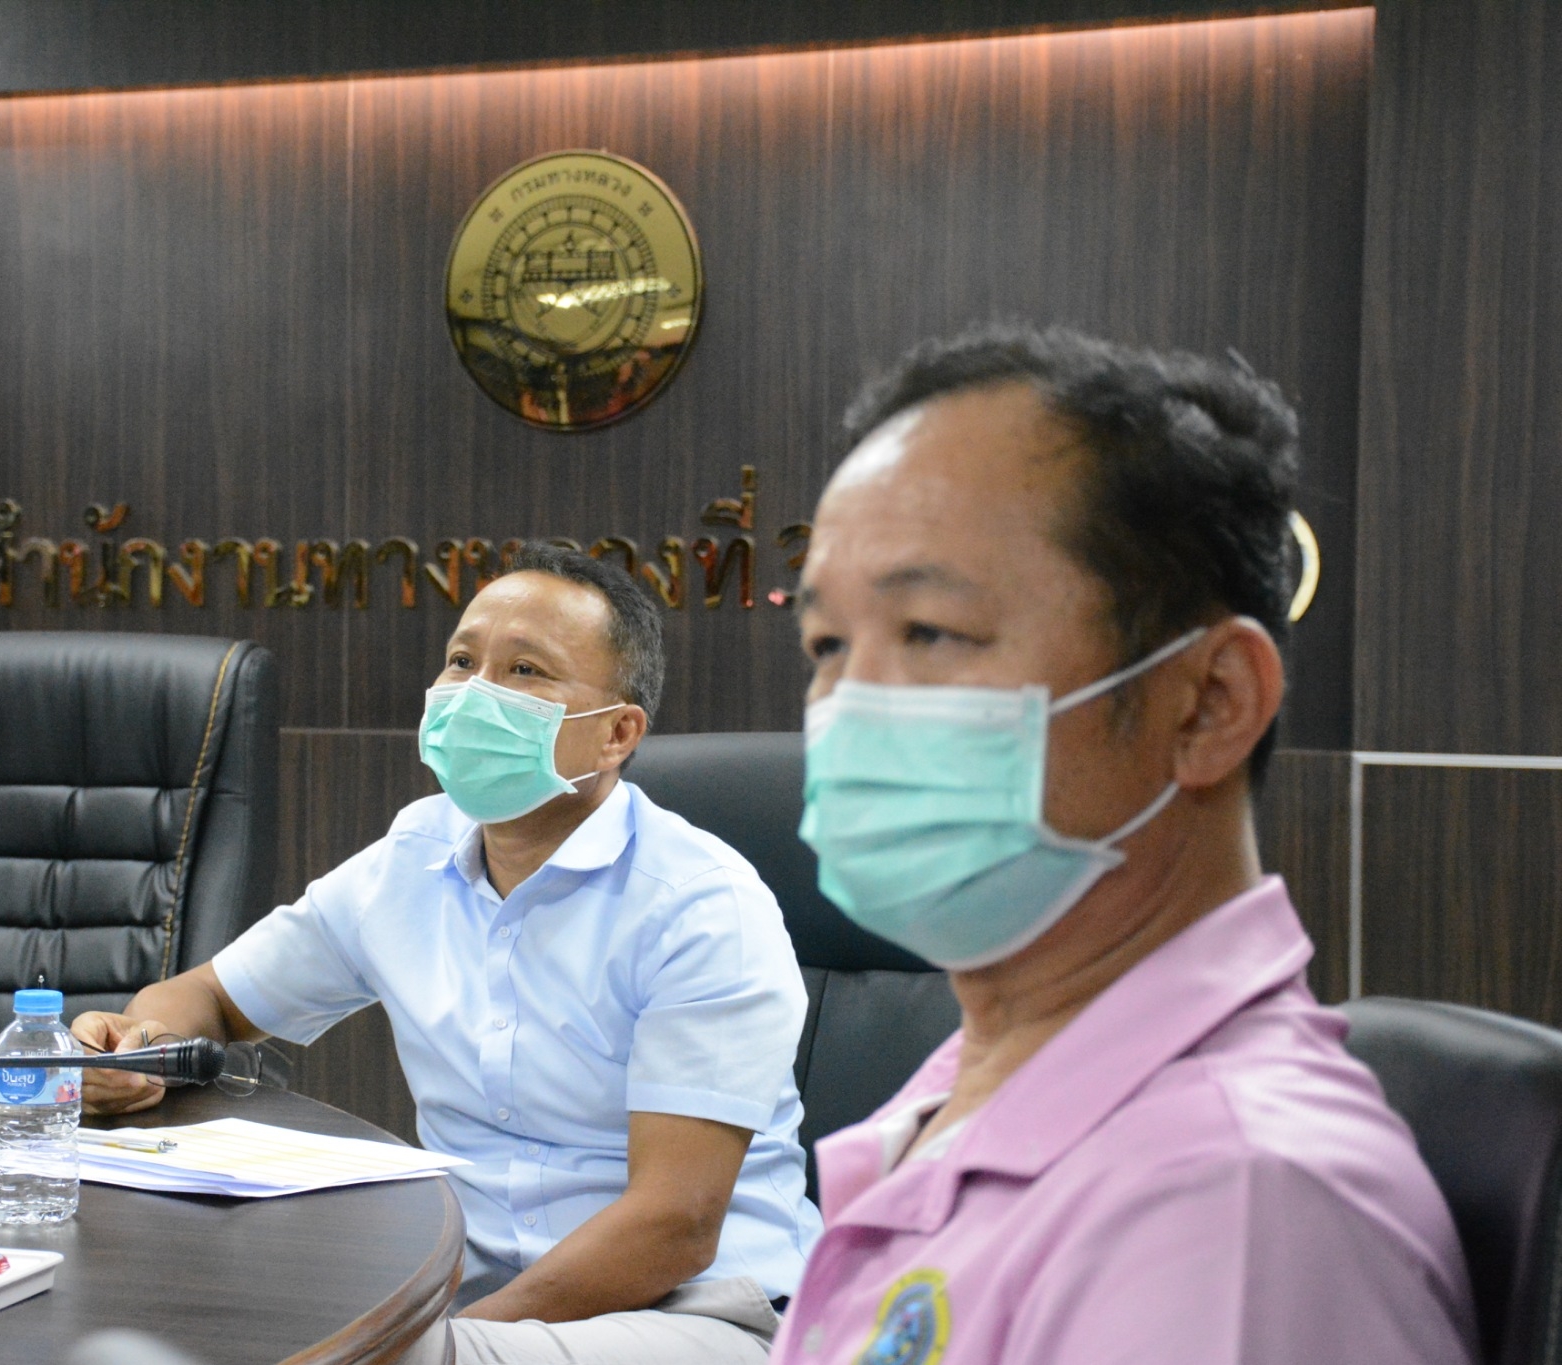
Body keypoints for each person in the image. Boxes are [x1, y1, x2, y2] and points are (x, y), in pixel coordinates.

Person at [776, 324, 1477, 1364]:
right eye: (827, 645)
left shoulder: (1228, 1215)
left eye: (930, 631)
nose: (849, 705)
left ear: (1208, 703)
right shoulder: (981, 1077)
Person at [77, 545, 821, 1365]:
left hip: (704, 1312)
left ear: (617, 733)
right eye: (462, 661)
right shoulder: (414, 855)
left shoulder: (701, 904)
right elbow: (211, 998)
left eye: (524, 670)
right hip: (465, 1298)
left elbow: (673, 1225)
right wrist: (140, 1049)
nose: (473, 693)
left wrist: (425, 1338)